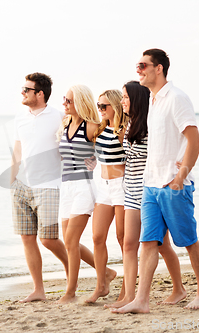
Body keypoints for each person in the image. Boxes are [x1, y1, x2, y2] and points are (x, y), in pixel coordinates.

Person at [112, 49, 199, 313]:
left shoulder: (176, 98)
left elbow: (195, 140)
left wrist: (180, 177)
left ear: (159, 68)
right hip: (150, 185)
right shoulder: (153, 101)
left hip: (172, 185)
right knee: (148, 242)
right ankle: (141, 300)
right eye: (137, 65)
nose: (138, 70)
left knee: (188, 241)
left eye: (143, 65)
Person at [105, 81, 186, 309]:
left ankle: (179, 288)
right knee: (129, 244)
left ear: (136, 99)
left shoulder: (152, 126)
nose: (122, 102)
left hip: (150, 190)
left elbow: (170, 148)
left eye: (125, 97)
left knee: (161, 245)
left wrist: (178, 169)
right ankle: (129, 296)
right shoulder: (130, 125)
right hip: (130, 190)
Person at [10, 72, 69, 303]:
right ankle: (38, 290)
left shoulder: (60, 116)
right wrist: (13, 179)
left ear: (40, 93)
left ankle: (75, 276)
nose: (22, 93)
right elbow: (18, 149)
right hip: (22, 186)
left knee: (49, 239)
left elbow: (70, 147)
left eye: (27, 89)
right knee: (27, 238)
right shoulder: (20, 117)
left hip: (50, 185)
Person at [57, 85, 116, 304]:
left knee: (72, 241)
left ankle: (70, 292)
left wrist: (92, 163)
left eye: (69, 100)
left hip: (85, 187)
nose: (64, 103)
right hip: (67, 188)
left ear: (80, 103)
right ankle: (107, 273)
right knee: (68, 242)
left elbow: (106, 152)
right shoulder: (64, 126)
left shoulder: (91, 128)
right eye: (64, 99)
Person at [85, 90, 128, 303]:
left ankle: (127, 290)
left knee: (123, 239)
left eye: (104, 106)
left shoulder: (123, 130)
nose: (100, 110)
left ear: (115, 106)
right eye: (98, 106)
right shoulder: (99, 128)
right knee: (97, 237)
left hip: (121, 187)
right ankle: (101, 284)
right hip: (102, 186)